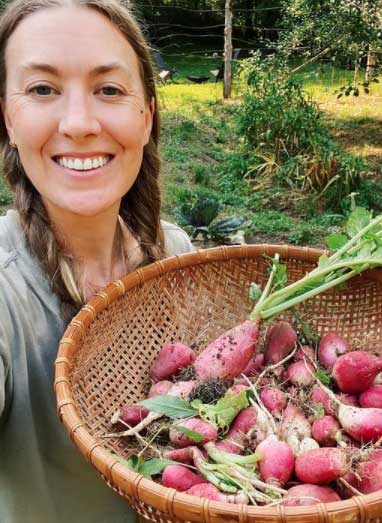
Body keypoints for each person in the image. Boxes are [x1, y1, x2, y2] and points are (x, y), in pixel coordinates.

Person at [0, 1, 194, 521]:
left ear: (147, 115)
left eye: (109, 89)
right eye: (42, 89)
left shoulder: (177, 255)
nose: (80, 123)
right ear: (7, 118)